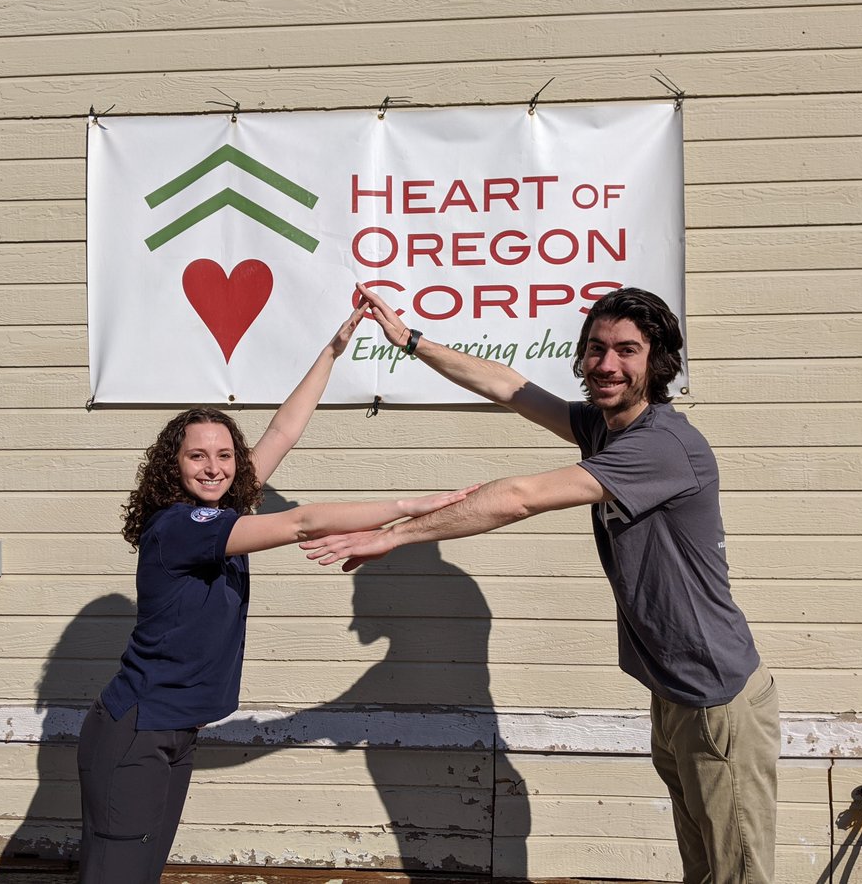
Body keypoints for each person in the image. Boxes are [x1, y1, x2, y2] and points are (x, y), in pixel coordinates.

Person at [303, 284, 780, 883]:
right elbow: (506, 385)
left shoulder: (662, 445)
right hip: (676, 688)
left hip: (716, 698)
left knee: (739, 874)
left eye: (627, 351)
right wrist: (410, 340)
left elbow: (520, 497)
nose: (607, 364)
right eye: (596, 349)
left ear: (657, 363)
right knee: (704, 871)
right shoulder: (611, 429)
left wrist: (393, 534)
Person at [76, 302, 475, 884]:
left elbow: (284, 430)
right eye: (197, 456)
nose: (214, 467)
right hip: (137, 733)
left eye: (224, 455)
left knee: (138, 872)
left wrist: (333, 351)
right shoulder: (179, 527)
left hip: (171, 731)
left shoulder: (224, 510)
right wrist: (408, 509)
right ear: (172, 464)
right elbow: (301, 522)